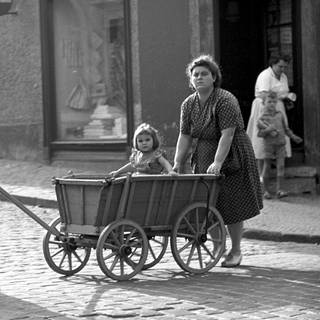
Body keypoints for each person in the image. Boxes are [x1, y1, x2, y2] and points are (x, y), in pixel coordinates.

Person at [173, 54, 263, 268]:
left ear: (214, 77)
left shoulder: (224, 99)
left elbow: (228, 134)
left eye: (204, 74)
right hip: (204, 153)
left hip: (232, 154)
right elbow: (184, 135)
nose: (199, 78)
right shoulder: (188, 104)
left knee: (232, 203)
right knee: (207, 203)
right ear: (190, 80)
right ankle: (217, 246)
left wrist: (218, 162)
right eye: (195, 75)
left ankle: (236, 250)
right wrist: (178, 163)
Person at [246, 53, 297, 178]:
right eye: (280, 66)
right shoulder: (265, 76)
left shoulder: (283, 77)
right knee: (262, 140)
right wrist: (279, 100)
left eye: (285, 67)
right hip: (264, 108)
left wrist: (287, 100)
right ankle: (259, 176)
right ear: (273, 64)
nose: (283, 69)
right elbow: (264, 96)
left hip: (278, 108)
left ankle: (270, 172)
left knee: (278, 137)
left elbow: (283, 93)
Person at [257, 91, 303, 199]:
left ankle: (280, 190)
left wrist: (293, 136)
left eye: (274, 102)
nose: (272, 104)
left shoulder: (280, 115)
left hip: (281, 144)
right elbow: (260, 134)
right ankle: (265, 191)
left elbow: (286, 129)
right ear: (264, 103)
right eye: (269, 102)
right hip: (268, 145)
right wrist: (268, 130)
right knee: (267, 166)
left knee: (281, 166)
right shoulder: (262, 118)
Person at [110, 123, 177, 177]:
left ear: (154, 140)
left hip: (153, 182)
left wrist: (171, 171)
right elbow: (131, 166)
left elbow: (165, 163)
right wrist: (118, 172)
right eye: (140, 141)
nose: (144, 143)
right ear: (136, 142)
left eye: (147, 140)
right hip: (138, 182)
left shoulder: (156, 154)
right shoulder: (137, 155)